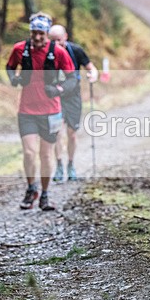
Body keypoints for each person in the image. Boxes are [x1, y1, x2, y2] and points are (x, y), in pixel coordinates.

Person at [5, 12, 77, 211]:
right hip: (26, 110)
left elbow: (72, 79)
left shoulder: (59, 53)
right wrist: (13, 78)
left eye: (41, 34)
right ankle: (31, 188)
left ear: (47, 34)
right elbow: (9, 67)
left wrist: (59, 90)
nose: (37, 38)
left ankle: (45, 194)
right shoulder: (20, 49)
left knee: (46, 155)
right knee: (29, 152)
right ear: (30, 32)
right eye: (34, 33)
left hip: (51, 111)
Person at [48, 25, 98, 182]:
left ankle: (71, 164)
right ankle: (59, 165)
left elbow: (91, 68)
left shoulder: (76, 51)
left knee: (72, 133)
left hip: (73, 96)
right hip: (55, 97)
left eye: (59, 40)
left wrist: (93, 75)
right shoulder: (47, 54)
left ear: (66, 37)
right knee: (57, 132)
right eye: (52, 41)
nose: (56, 44)